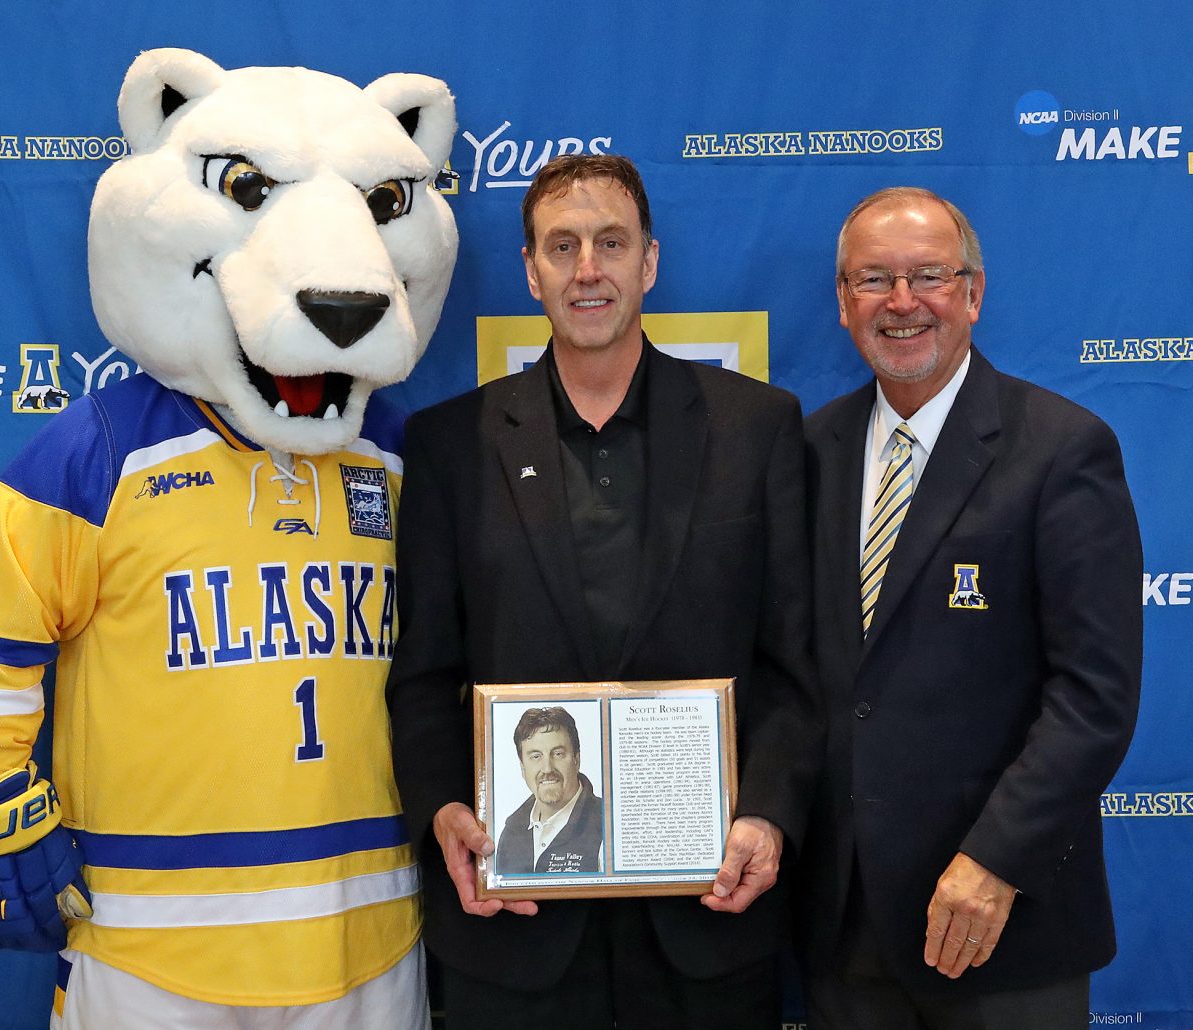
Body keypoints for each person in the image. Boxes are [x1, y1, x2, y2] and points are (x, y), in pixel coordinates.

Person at [385, 153, 819, 1030]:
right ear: (531, 270)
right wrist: (445, 812)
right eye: (563, 245)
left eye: (611, 243)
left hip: (709, 923)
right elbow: (424, 678)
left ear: (649, 263)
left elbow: (795, 668)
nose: (588, 269)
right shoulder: (449, 446)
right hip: (514, 935)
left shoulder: (758, 428)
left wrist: (770, 816)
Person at [799, 186, 1142, 1029]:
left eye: (929, 276)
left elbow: (1093, 698)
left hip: (1004, 924)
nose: (903, 301)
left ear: (974, 293)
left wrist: (994, 861)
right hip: (847, 931)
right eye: (874, 279)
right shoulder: (809, 453)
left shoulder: (1064, 450)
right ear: (844, 305)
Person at [495, 706, 603, 875]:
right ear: (523, 768)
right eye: (536, 756)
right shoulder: (510, 831)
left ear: (576, 759)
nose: (547, 768)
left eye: (558, 754)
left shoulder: (607, 825)